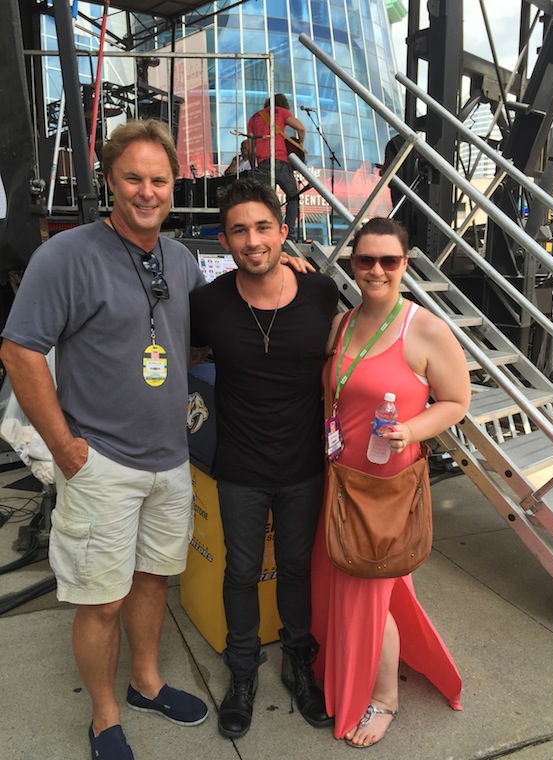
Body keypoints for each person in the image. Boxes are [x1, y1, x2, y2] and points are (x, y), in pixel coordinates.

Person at [0, 119, 209, 760]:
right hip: (100, 462)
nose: (147, 192)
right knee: (101, 602)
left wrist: (283, 264)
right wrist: (64, 447)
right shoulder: (66, 255)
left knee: (152, 582)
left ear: (174, 185)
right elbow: (19, 351)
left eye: (159, 180)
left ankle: (145, 683)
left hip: (170, 462)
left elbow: (214, 326)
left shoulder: (179, 259)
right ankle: (104, 715)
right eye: (133, 179)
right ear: (110, 182)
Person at [311, 216, 471, 747]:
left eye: (389, 260)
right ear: (352, 263)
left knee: (367, 589)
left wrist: (411, 429)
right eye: (365, 260)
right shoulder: (341, 323)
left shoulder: (423, 328)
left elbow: (456, 402)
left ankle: (383, 697)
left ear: (406, 263)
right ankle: (357, 671)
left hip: (386, 486)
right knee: (366, 585)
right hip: (341, 478)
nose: (376, 270)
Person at [189, 177, 338, 738]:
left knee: (298, 570)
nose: (252, 240)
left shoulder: (321, 292)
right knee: (242, 572)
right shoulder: (208, 302)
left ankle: (300, 661)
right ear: (224, 240)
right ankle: (244, 671)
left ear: (284, 231)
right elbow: (184, 352)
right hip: (241, 468)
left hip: (304, 465)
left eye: (262, 227)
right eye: (238, 230)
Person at [247, 93, 305, 240]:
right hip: (280, 161)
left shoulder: (254, 118)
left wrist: (255, 166)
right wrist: (299, 144)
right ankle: (289, 234)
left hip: (262, 164)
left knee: (265, 201)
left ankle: (267, 234)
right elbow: (301, 128)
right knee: (293, 196)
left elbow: (250, 147)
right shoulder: (281, 112)